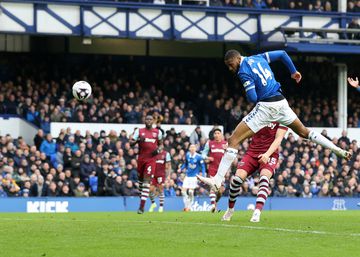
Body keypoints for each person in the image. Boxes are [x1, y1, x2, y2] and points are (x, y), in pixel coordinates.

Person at [197, 49, 351, 191]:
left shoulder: (243, 71)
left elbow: (252, 97)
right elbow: (283, 54)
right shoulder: (259, 57)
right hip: (281, 102)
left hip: (266, 107)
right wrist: (293, 72)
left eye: (231, 65)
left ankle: (217, 180)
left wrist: (251, 88)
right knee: (304, 132)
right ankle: (335, 149)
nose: (231, 68)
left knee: (233, 141)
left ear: (237, 58)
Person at [222, 122, 287, 222]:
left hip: (270, 153)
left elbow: (279, 139)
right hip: (252, 152)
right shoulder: (259, 113)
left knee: (264, 179)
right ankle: (230, 209)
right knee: (236, 180)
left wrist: (267, 154)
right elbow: (245, 131)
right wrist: (231, 143)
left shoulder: (283, 116)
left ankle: (257, 212)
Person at [130, 115, 163, 214]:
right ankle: (144, 199)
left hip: (151, 160)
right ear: (144, 121)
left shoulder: (158, 132)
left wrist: (158, 150)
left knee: (146, 182)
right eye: (147, 119)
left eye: (150, 119)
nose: (148, 121)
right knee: (140, 184)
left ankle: (141, 207)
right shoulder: (139, 131)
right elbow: (131, 142)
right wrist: (138, 140)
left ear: (153, 121)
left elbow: (161, 144)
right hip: (141, 159)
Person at [201, 128, 227, 212]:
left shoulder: (225, 144)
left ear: (221, 135)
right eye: (215, 133)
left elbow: (229, 155)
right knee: (213, 187)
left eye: (218, 133)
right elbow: (203, 154)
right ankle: (213, 206)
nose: (216, 135)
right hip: (212, 169)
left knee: (221, 190)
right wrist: (207, 157)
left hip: (222, 170)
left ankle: (215, 201)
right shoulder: (209, 143)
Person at [179, 144, 206, 212]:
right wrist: (181, 169)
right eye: (191, 147)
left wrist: (203, 175)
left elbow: (203, 166)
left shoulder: (199, 157)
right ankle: (186, 206)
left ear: (196, 149)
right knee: (183, 192)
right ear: (189, 149)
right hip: (187, 176)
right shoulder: (187, 155)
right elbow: (185, 164)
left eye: (194, 147)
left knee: (191, 192)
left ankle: (189, 207)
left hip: (194, 177)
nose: (192, 148)